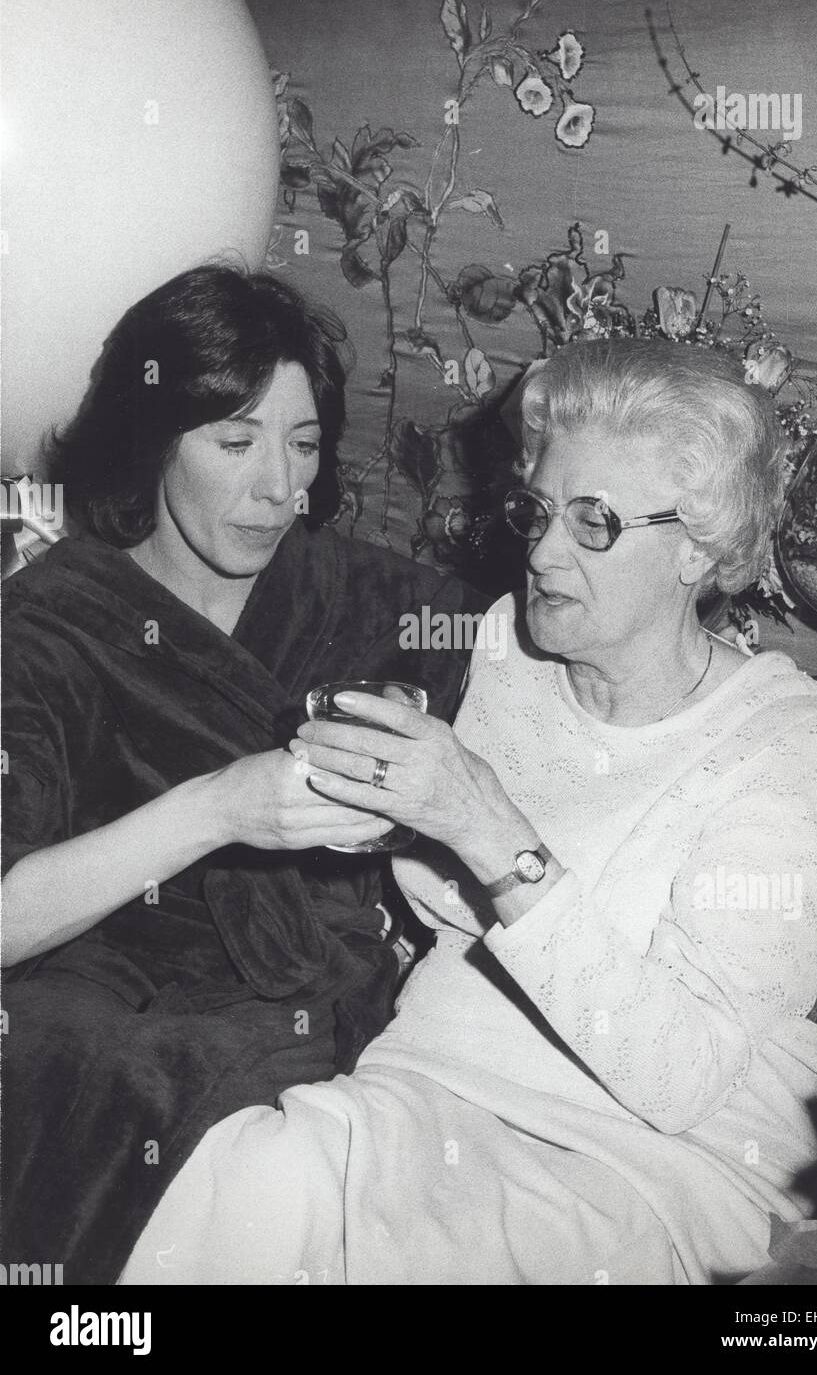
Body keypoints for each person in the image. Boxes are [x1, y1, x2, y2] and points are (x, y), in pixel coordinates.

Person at [121, 335, 817, 1286]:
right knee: (242, 1186)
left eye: (594, 522)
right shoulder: (506, 648)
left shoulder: (784, 744)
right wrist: (381, 801)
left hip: (647, 1163)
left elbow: (682, 1077)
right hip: (431, 1082)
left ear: (697, 546)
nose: (545, 551)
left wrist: (486, 826)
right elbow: (439, 891)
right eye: (539, 510)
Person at [0, 264, 481, 1284]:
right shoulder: (55, 621)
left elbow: (528, 707)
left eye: (304, 445)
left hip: (331, 997)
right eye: (235, 442)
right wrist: (220, 808)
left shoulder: (371, 594)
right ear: (151, 440)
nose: (281, 488)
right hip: (97, 992)